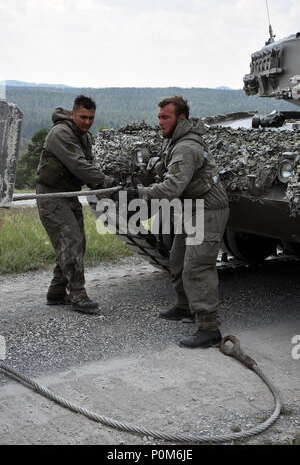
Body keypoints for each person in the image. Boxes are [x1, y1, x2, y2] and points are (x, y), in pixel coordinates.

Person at [126, 96, 229, 348]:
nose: (160, 122)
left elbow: (172, 186)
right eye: (159, 116)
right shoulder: (174, 141)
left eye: (165, 117)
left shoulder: (186, 148)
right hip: (192, 207)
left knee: (198, 266)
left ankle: (209, 328)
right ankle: (185, 307)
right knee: (178, 260)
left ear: (180, 119)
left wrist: (139, 194)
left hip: (207, 209)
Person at [36, 95, 117, 314]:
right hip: (51, 195)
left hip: (68, 194)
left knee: (77, 242)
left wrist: (105, 185)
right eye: (83, 117)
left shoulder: (84, 136)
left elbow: (89, 165)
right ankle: (78, 294)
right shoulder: (61, 133)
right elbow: (79, 165)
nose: (87, 121)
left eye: (91, 118)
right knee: (71, 241)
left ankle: (56, 291)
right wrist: (108, 183)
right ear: (73, 114)